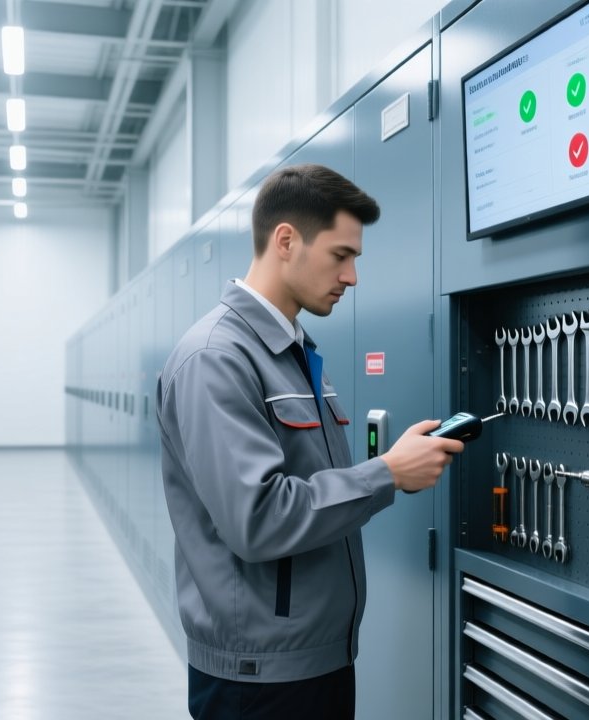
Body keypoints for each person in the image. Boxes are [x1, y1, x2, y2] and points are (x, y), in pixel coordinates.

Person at [156, 163, 463, 719]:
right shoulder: (216, 358)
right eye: (340, 255)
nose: (352, 277)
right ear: (286, 241)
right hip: (259, 680)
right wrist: (388, 472)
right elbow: (257, 518)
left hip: (317, 659)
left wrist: (393, 469)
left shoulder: (293, 352)